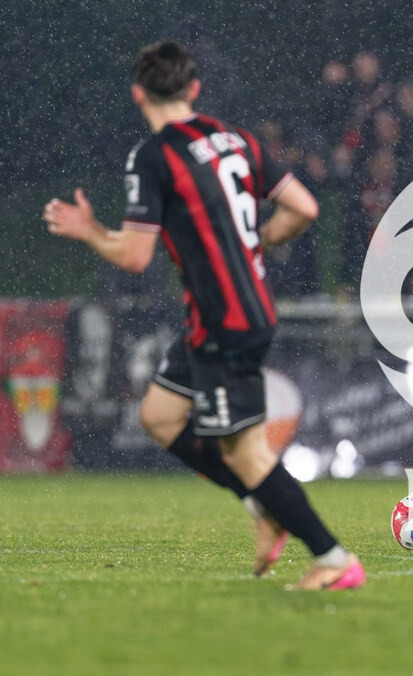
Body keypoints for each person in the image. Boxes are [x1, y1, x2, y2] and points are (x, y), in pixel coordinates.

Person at [43, 39, 364, 590]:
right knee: (161, 417)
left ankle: (333, 559)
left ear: (138, 94)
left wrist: (89, 231)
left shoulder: (155, 156)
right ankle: (264, 509)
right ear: (193, 89)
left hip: (226, 320)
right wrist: (254, 243)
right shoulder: (236, 140)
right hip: (228, 313)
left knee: (246, 453)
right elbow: (304, 208)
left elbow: (137, 255)